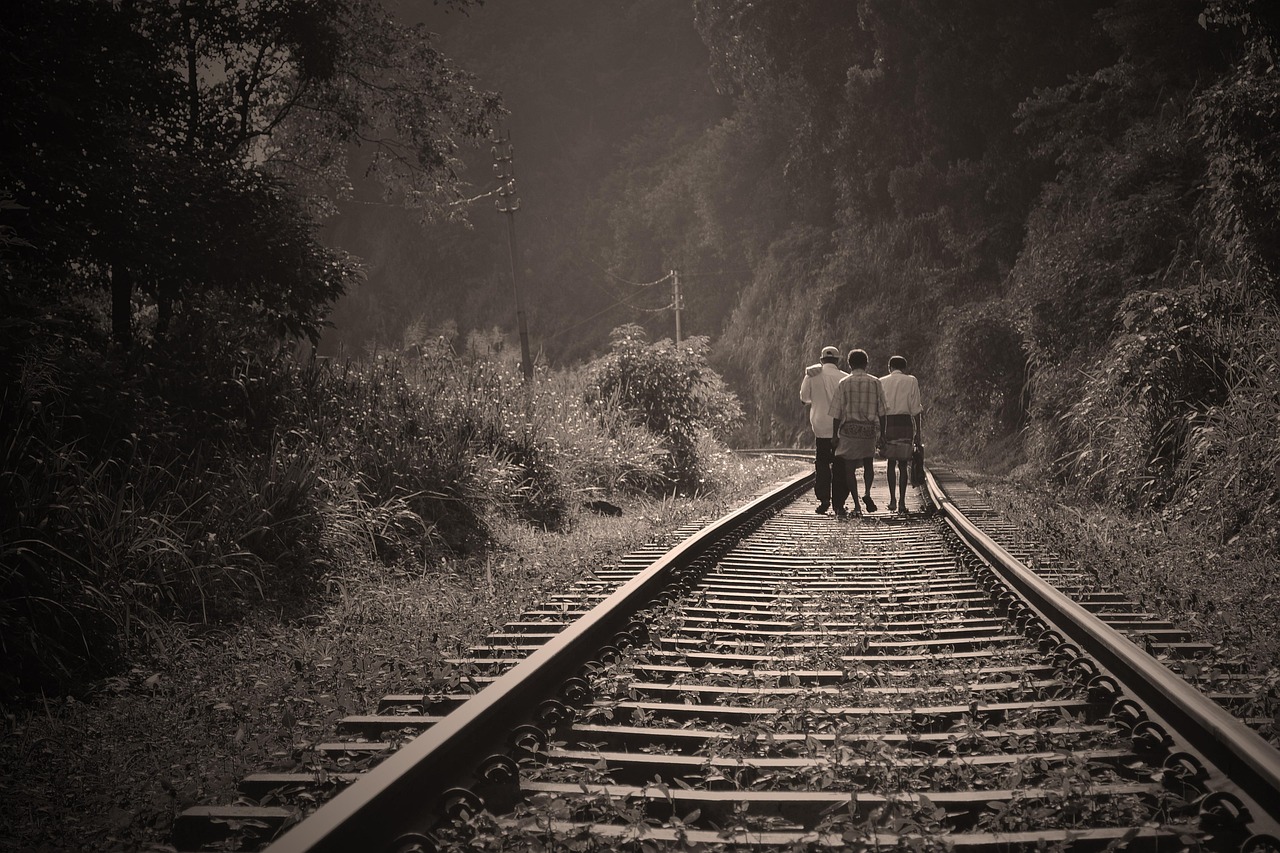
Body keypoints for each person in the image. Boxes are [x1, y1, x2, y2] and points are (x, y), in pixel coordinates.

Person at [830, 349, 885, 518]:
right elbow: (882, 411)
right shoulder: (875, 382)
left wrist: (834, 435)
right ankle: (867, 492)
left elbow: (837, 412)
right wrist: (882, 434)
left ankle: (856, 504)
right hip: (868, 431)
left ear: (849, 364)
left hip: (849, 431)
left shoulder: (844, 383)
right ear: (866, 364)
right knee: (869, 464)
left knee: (849, 468)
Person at [800, 346, 848, 514]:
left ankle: (824, 499)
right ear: (838, 360)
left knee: (822, 463)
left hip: (820, 427)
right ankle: (839, 503)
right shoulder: (845, 377)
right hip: (841, 428)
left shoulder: (811, 376)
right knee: (840, 465)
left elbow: (804, 398)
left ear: (821, 360)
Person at [879, 355, 923, 515]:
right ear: (904, 368)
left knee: (891, 463)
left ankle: (892, 500)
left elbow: (880, 409)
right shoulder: (911, 380)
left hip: (888, 424)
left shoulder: (881, 381)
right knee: (903, 465)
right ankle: (902, 503)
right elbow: (916, 409)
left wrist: (880, 432)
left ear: (889, 367)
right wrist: (918, 432)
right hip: (905, 424)